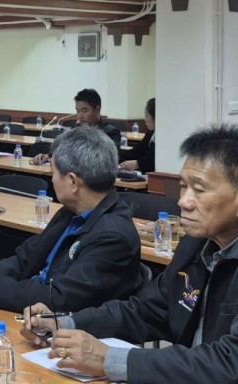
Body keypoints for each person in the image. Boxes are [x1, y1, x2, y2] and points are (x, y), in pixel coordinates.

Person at [20, 123, 238, 384]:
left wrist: (108, 360)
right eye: (183, 186)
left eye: (199, 190)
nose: (183, 201)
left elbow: (230, 362)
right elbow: (145, 311)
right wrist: (64, 323)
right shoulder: (195, 244)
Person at [0, 127, 141, 312]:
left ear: (72, 181)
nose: (52, 179)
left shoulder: (113, 236)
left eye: (53, 172)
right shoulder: (70, 212)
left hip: (61, 326)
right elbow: (23, 259)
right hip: (30, 309)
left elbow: (57, 298)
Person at [32, 88, 121, 164]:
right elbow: (64, 147)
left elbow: (107, 161)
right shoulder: (77, 129)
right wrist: (48, 155)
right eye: (78, 111)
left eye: (84, 111)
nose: (80, 116)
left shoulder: (111, 132)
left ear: (97, 110)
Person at [119, 97, 155, 173]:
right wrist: (115, 157)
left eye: (146, 115)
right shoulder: (150, 133)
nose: (144, 119)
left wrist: (138, 164)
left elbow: (153, 162)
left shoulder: (163, 137)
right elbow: (137, 151)